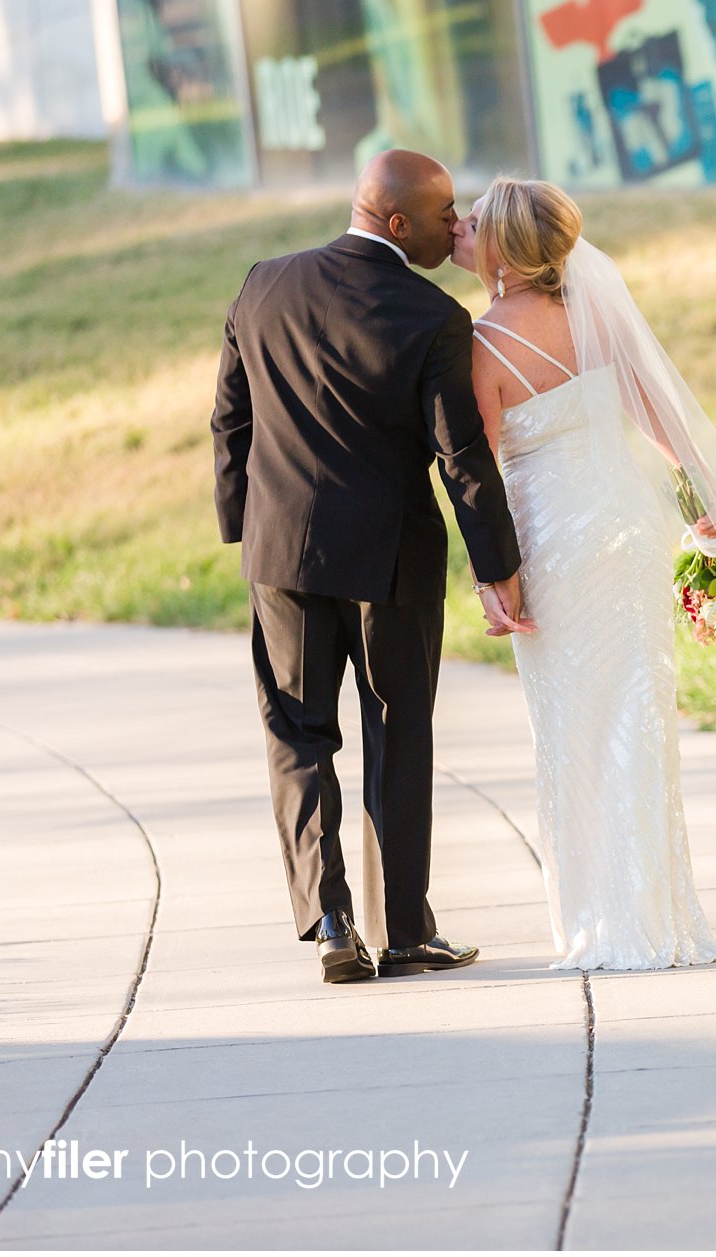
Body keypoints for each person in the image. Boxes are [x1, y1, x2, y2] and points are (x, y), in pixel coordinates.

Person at [211, 149, 535, 985]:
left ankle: (329, 922)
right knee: (399, 729)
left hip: (280, 554)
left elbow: (229, 420)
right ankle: (403, 930)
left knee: (297, 731)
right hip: (392, 563)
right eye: (441, 214)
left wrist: (244, 525)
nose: (453, 224)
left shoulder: (263, 284)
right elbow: (461, 455)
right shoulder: (433, 317)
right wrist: (498, 565)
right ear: (398, 223)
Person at [450, 176, 716, 970]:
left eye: (473, 224)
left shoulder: (480, 345)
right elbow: (655, 412)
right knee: (641, 717)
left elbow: (478, 470)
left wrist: (493, 579)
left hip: (556, 545)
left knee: (573, 728)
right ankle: (661, 911)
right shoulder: (596, 314)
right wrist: (699, 498)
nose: (458, 231)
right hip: (629, 525)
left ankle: (604, 918)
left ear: (504, 248)